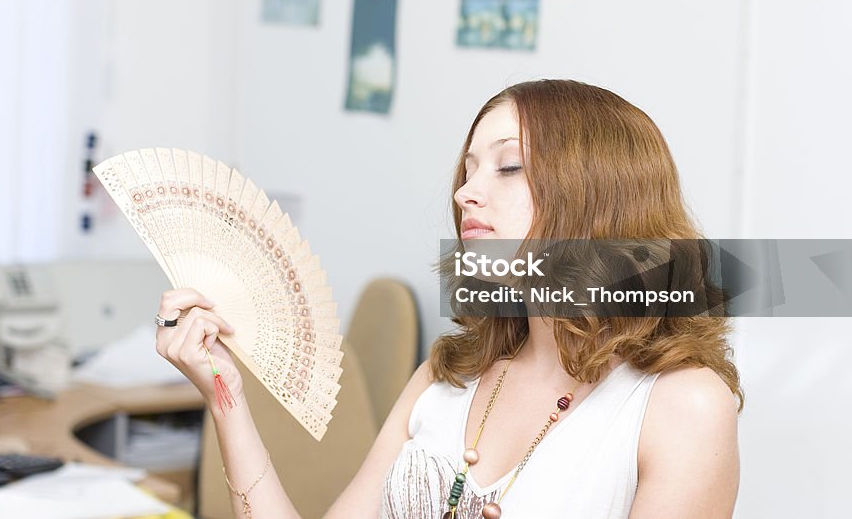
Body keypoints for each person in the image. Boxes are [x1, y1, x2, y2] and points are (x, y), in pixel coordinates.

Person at [155, 79, 742, 518]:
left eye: (508, 167)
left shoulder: (681, 405)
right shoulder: (447, 375)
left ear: (600, 199)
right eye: (468, 170)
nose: (466, 192)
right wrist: (224, 394)